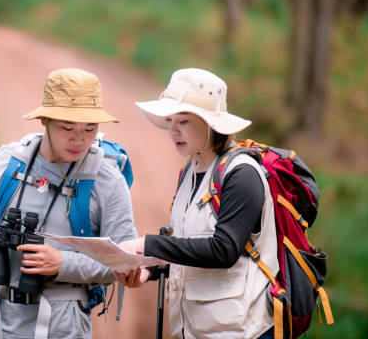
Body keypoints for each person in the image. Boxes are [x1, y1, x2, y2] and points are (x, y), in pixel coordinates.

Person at [0, 68, 137, 339]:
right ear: (44, 120)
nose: (79, 139)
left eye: (89, 129)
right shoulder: (7, 162)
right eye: (67, 128)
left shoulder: (107, 181)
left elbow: (124, 260)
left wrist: (62, 263)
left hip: (62, 331)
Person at [116, 68, 279, 339]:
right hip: (200, 330)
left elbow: (223, 250)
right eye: (169, 120)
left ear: (211, 123)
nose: (173, 130)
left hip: (244, 332)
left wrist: (148, 244)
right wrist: (152, 270)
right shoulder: (191, 170)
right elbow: (189, 244)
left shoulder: (242, 174)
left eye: (184, 121)